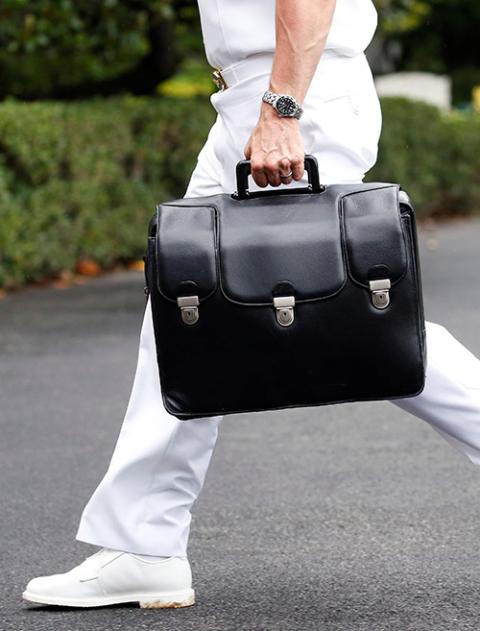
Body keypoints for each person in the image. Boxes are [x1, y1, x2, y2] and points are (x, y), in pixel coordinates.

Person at [23, 0, 480, 610]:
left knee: (358, 320)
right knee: (191, 312)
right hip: (266, 95)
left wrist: (281, 108)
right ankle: (143, 545)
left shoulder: (284, 102)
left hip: (292, 95)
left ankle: (144, 544)